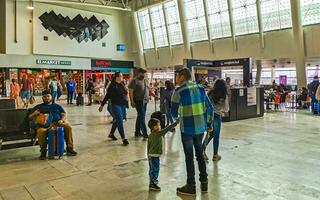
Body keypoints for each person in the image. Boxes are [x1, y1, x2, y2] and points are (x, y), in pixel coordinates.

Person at [171, 68, 214, 195]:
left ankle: (191, 186)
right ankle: (204, 184)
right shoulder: (200, 88)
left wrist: (178, 118)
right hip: (200, 127)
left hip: (187, 129)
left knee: (189, 157)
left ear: (183, 77)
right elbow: (210, 108)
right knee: (200, 155)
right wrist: (209, 123)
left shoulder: (178, 91)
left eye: (177, 76)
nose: (176, 79)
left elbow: (172, 111)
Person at [29, 90, 77, 160]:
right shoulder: (39, 107)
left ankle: (69, 148)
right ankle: (43, 151)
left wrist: (62, 119)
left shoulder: (57, 106)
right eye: (45, 97)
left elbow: (63, 113)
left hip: (58, 123)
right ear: (42, 98)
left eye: (48, 96)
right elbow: (29, 117)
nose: (47, 98)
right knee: (40, 132)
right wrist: (34, 114)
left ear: (51, 97)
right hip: (45, 125)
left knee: (68, 127)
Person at [147, 118, 179, 191]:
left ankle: (152, 181)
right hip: (154, 155)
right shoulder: (158, 133)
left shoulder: (150, 135)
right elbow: (167, 129)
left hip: (151, 155)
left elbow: (148, 146)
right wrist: (174, 124)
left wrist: (148, 155)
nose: (160, 126)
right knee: (155, 169)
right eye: (159, 125)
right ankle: (153, 184)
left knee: (152, 169)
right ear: (155, 127)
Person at [99, 72, 129, 146]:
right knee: (120, 121)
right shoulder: (112, 85)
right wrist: (102, 105)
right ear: (117, 77)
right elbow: (107, 95)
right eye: (121, 76)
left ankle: (111, 134)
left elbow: (125, 94)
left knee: (118, 120)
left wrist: (126, 90)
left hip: (122, 105)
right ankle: (123, 138)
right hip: (115, 105)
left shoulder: (122, 84)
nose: (122, 77)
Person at [203, 79, 229, 161]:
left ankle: (202, 149)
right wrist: (220, 109)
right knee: (216, 136)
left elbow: (205, 104)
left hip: (208, 116)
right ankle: (215, 155)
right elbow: (226, 109)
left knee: (210, 133)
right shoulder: (224, 95)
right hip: (217, 116)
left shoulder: (210, 93)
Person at [128, 68, 156, 138]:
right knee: (142, 117)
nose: (143, 74)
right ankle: (145, 134)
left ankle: (137, 132)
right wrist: (132, 101)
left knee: (140, 116)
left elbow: (148, 91)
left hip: (145, 101)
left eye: (144, 73)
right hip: (138, 101)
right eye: (142, 73)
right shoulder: (134, 81)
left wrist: (155, 96)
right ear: (139, 73)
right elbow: (130, 92)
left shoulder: (146, 80)